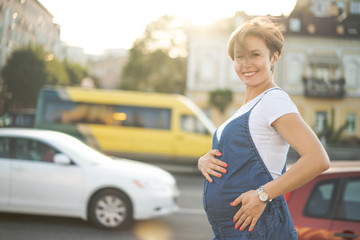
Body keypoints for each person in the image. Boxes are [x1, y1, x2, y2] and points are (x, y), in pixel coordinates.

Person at [198, 16, 330, 240]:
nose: (246, 64)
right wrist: (204, 161)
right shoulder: (250, 106)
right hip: (234, 233)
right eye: (239, 57)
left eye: (255, 55)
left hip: (260, 231)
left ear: (274, 57)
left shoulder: (273, 101)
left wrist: (262, 195)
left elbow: (318, 159)